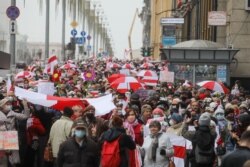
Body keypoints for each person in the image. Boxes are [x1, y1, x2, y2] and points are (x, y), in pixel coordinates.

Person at [0, 98, 30, 167]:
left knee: (13, 160)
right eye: (7, 104)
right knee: (3, 160)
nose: (9, 105)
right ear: (2, 105)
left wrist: (25, 105)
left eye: (10, 104)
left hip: (11, 138)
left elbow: (25, 116)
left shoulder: (12, 113)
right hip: (2, 139)